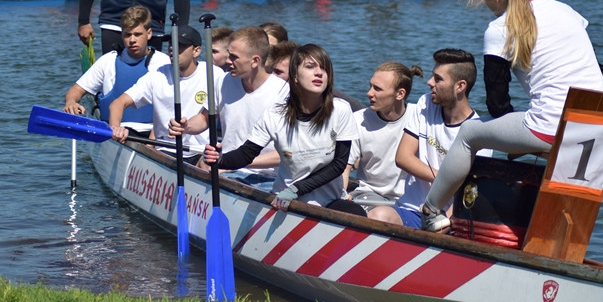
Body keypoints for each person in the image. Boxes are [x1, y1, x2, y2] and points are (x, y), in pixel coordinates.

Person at [423, 0, 603, 232]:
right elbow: (596, 68)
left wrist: (521, 144)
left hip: (554, 125)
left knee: (468, 135)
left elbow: (497, 104)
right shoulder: (562, 9)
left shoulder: (499, 29)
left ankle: (430, 211)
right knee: (570, 213)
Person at [203, 44, 362, 214]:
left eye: (324, 68)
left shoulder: (340, 110)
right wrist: (220, 159)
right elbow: (246, 153)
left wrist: (296, 189)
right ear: (294, 76)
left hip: (326, 200)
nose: (319, 73)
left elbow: (338, 164)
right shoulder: (275, 115)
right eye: (310, 67)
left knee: (358, 212)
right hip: (285, 202)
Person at [368, 49, 485, 229]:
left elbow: (471, 193)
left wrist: (446, 222)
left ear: (460, 86)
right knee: (377, 215)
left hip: (447, 217)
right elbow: (403, 158)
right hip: (411, 210)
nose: (430, 82)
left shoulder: (479, 134)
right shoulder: (426, 104)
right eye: (432, 76)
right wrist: (447, 180)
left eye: (438, 79)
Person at [169, 27, 289, 190]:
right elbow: (205, 119)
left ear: (255, 61)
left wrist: (231, 161)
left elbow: (287, 154)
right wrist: (185, 127)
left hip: (269, 178)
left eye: (234, 57)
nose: (227, 61)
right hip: (228, 173)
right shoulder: (223, 81)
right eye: (228, 54)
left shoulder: (283, 93)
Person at [109, 25, 223, 152]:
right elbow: (118, 103)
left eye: (180, 45)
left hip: (200, 150)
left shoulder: (213, 74)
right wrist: (115, 128)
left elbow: (208, 117)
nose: (172, 48)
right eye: (171, 43)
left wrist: (186, 127)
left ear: (196, 51)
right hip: (164, 148)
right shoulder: (158, 75)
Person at [62, 6, 169, 135]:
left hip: (154, 132)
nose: (132, 40)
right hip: (115, 130)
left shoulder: (164, 63)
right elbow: (76, 90)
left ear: (149, 33)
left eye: (137, 34)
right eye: (127, 35)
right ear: (121, 35)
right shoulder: (108, 60)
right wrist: (71, 102)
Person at [338, 62, 423, 215]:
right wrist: (341, 197)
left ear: (400, 94)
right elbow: (344, 169)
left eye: (377, 89)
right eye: (371, 86)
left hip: (410, 200)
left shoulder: (419, 117)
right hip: (369, 197)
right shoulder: (357, 120)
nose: (369, 93)